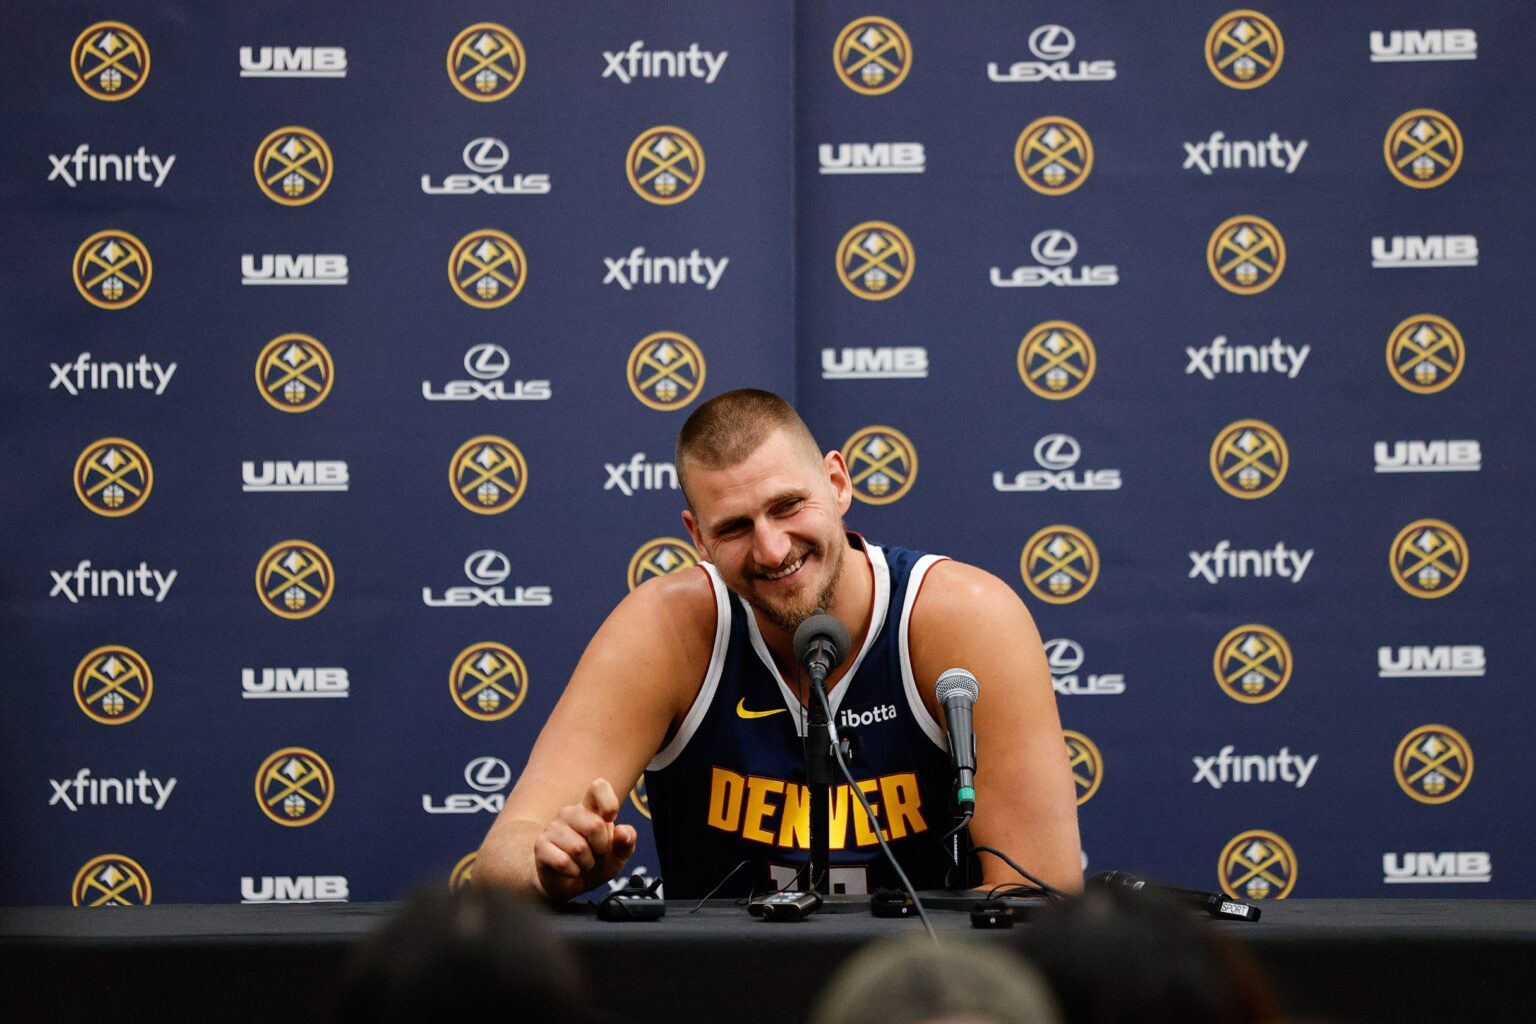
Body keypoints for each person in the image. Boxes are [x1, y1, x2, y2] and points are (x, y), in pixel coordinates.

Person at [475, 388, 1081, 900]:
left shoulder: (961, 617)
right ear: (698, 538)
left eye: (788, 506)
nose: (771, 550)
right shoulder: (666, 629)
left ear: (838, 484)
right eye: (735, 527)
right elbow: (500, 857)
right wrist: (545, 864)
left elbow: (1039, 893)